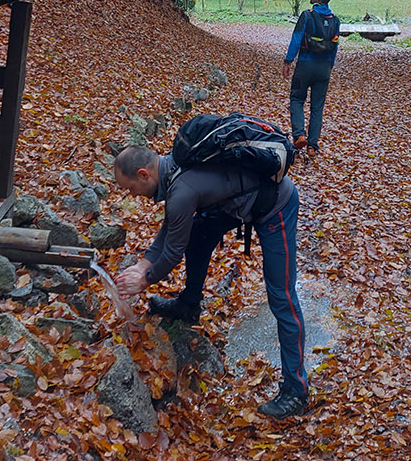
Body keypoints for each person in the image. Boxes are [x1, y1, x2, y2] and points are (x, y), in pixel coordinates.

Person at [112, 143, 309, 419]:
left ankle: (296, 391)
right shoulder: (173, 167)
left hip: (276, 204)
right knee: (199, 233)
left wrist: (146, 279)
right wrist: (144, 263)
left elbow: (173, 251)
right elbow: (172, 224)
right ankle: (188, 304)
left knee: (282, 297)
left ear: (144, 174)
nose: (131, 195)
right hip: (237, 201)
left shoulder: (181, 189)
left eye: (130, 188)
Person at [282, 0, 339, 153]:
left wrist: (288, 61)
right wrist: (330, 65)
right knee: (317, 107)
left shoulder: (307, 16)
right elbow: (335, 46)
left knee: (297, 99)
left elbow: (296, 39)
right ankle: (312, 146)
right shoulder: (335, 20)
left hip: (305, 65)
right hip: (324, 68)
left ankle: (299, 135)